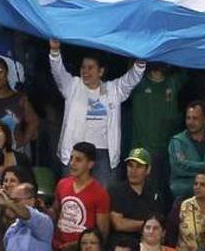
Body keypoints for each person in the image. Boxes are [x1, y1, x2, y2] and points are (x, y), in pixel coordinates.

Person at [49, 39, 145, 186]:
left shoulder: (114, 90)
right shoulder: (72, 86)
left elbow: (131, 80)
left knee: (103, 196)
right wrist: (55, 52)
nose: (85, 72)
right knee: (71, 195)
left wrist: (140, 63)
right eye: (83, 67)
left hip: (103, 154)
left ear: (100, 71)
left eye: (90, 68)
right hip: (76, 152)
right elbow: (58, 72)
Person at [50, 141, 110, 251]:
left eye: (78, 160)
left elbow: (102, 233)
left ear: (90, 164)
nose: (72, 163)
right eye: (71, 158)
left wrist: (80, 246)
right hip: (57, 250)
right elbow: (56, 212)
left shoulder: (100, 193)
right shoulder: (62, 184)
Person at [108, 148, 162, 246]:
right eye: (130, 165)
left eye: (139, 166)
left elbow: (159, 222)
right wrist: (146, 225)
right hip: (121, 245)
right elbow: (119, 224)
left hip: (147, 244)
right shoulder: (116, 191)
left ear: (148, 169)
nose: (133, 170)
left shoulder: (154, 193)